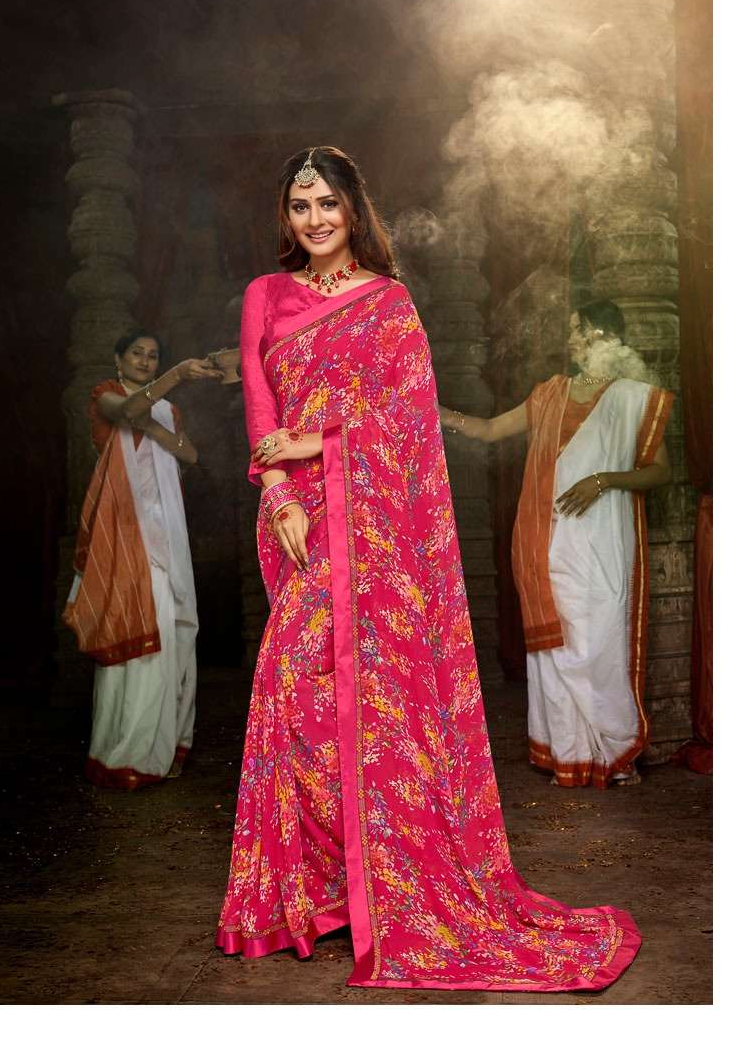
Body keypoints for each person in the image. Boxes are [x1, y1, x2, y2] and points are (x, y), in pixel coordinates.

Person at [215, 146, 640, 991]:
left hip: (374, 526)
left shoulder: (389, 303)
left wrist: (318, 439)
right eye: (300, 206)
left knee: (375, 701)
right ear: (286, 216)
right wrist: (283, 494)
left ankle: (384, 885)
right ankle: (317, 891)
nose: (315, 220)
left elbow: (407, 420)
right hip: (301, 520)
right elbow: (261, 414)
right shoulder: (266, 295)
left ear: (353, 208)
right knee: (291, 692)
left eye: (327, 203)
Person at [440, 301, 673, 789]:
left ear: (602, 335)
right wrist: (433, 411)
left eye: (577, 330)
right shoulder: (549, 394)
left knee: (603, 639)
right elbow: (488, 430)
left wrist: (603, 480)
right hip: (549, 542)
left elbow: (660, 472)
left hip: (605, 542)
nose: (569, 339)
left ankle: (613, 751)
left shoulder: (632, 397)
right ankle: (570, 752)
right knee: (558, 645)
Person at [63, 331, 221, 790]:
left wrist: (153, 425)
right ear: (119, 358)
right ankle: (124, 753)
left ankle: (166, 745)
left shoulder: (166, 409)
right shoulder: (105, 394)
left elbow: (189, 454)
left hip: (164, 532)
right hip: (124, 534)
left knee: (170, 633)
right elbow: (127, 412)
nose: (145, 361)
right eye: (137, 353)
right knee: (132, 626)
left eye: (154, 356)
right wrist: (176, 376)